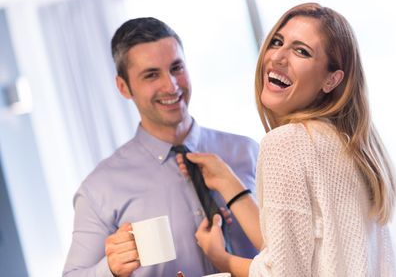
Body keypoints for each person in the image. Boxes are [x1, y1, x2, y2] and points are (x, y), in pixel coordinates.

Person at [179, 3, 396, 276]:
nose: (277, 57)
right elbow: (296, 252)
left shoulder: (287, 142)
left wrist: (222, 259)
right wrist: (229, 184)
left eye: (302, 51)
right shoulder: (348, 145)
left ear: (331, 80)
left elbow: (284, 272)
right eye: (277, 42)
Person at [63, 17, 259, 277]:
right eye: (151, 75)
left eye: (176, 68)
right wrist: (109, 269)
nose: (171, 85)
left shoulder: (247, 152)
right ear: (124, 87)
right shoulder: (99, 189)